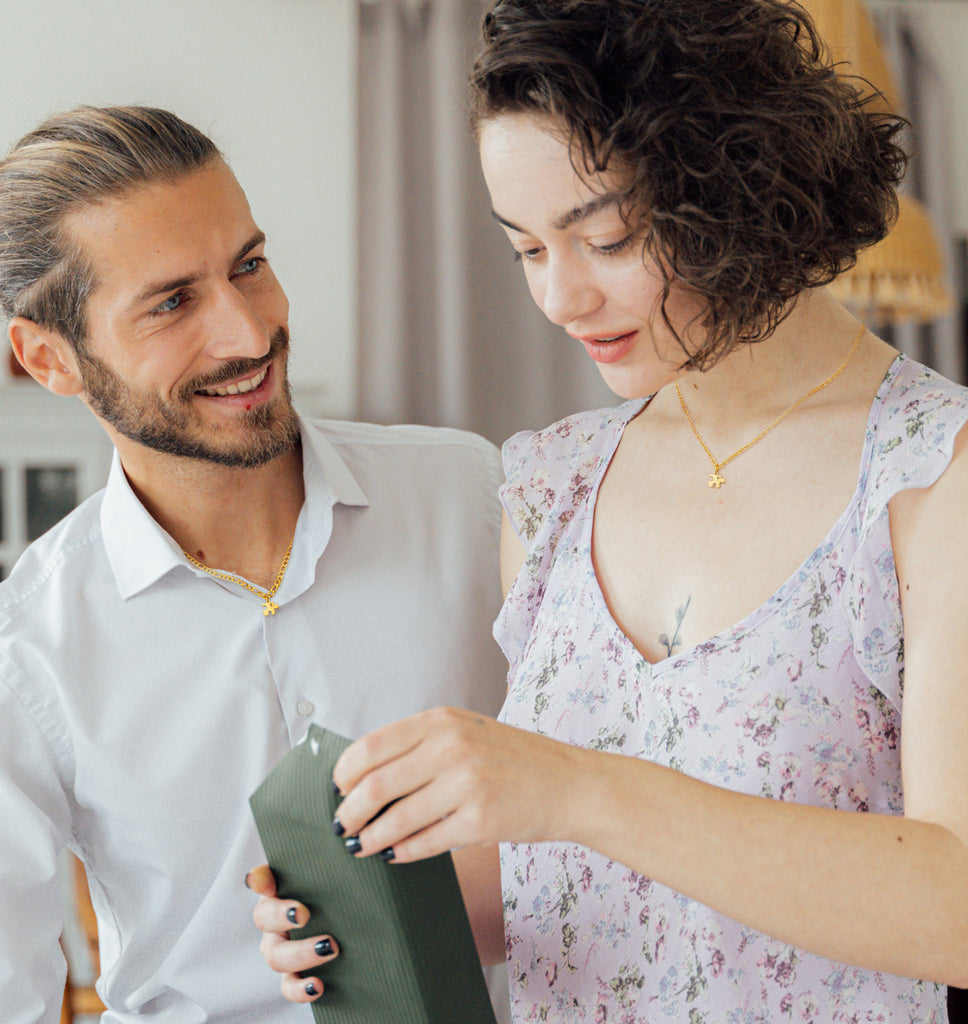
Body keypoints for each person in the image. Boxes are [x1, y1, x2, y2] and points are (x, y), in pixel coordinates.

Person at [252, 1, 968, 1020]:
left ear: (741, 191)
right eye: (527, 251)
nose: (559, 299)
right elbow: (579, 883)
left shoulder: (932, 475)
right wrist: (373, 910)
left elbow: (955, 904)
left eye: (605, 238)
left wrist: (578, 786)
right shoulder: (555, 484)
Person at [0, 104, 508, 1023]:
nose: (249, 334)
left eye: (249, 265)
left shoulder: (473, 499)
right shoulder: (10, 664)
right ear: (51, 361)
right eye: (172, 302)